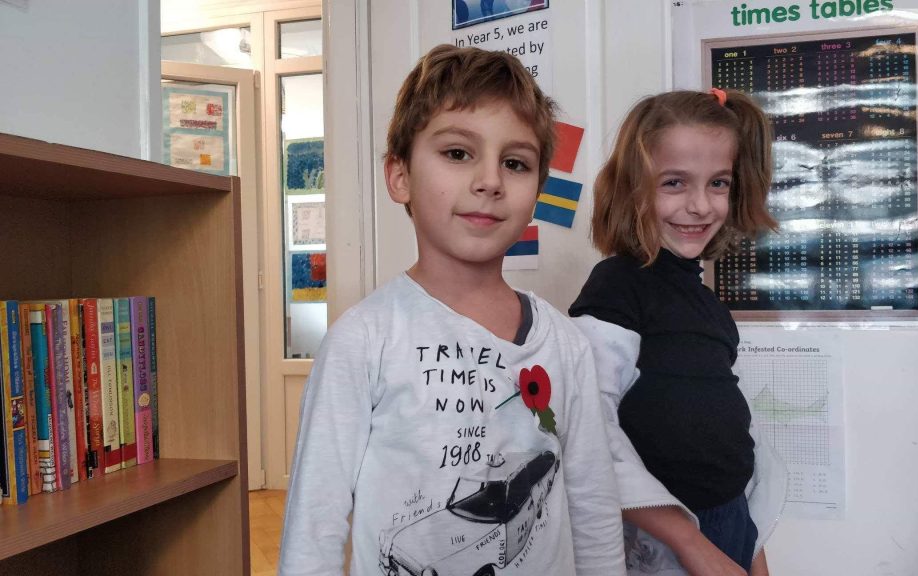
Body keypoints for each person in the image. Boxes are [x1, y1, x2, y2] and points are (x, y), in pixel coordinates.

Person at [278, 44, 626, 576]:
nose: (490, 181)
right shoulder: (364, 340)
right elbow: (314, 526)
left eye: (515, 163)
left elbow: (594, 511)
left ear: (536, 192)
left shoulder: (566, 346)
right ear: (399, 176)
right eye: (458, 153)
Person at [569, 89, 788, 576]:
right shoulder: (617, 286)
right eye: (674, 183)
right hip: (663, 537)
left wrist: (753, 551)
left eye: (718, 183)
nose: (700, 205)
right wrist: (689, 542)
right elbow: (588, 428)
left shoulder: (709, 305)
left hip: (730, 525)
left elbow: (731, 440)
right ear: (632, 189)